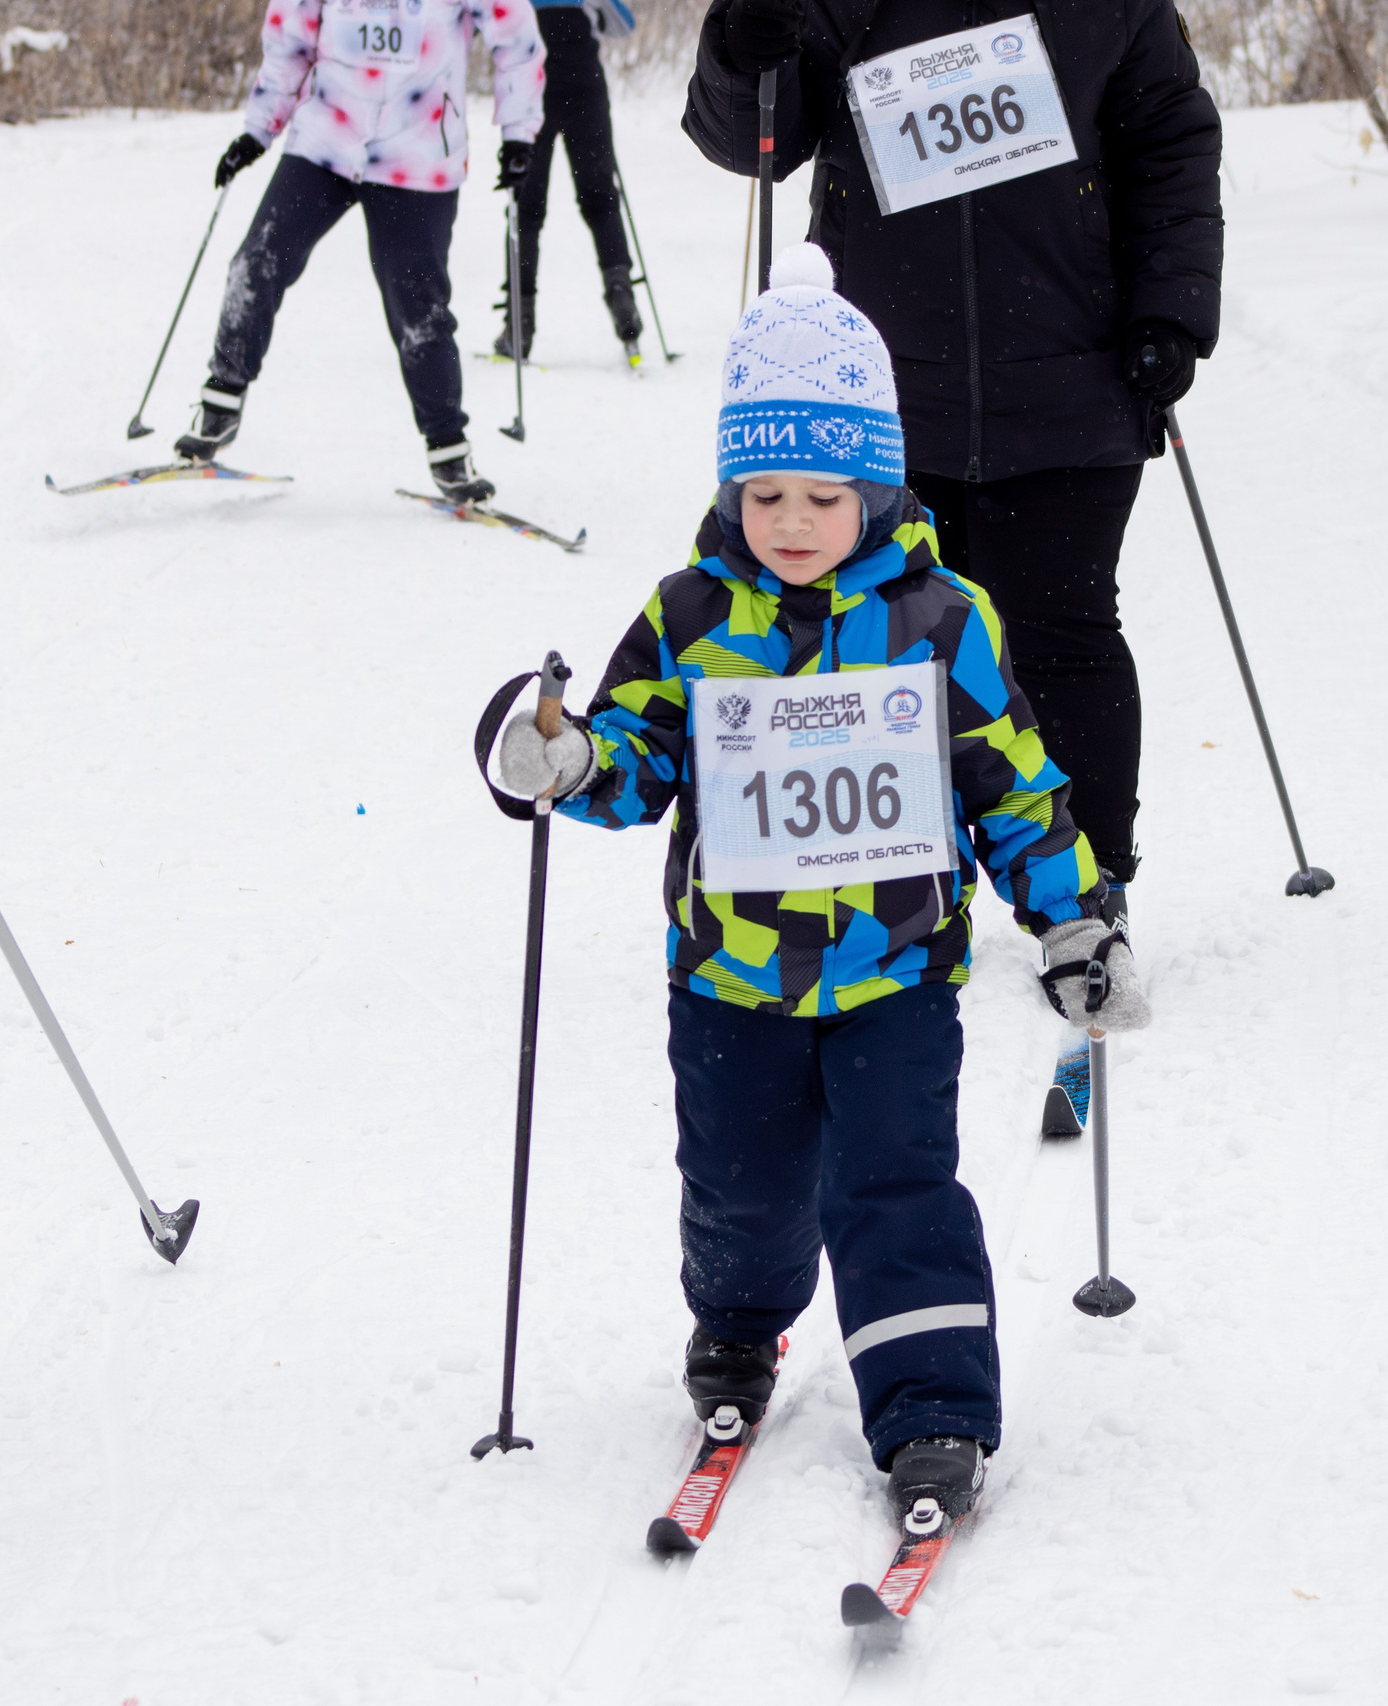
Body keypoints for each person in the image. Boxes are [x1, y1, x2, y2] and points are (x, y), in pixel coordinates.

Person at [489, 246, 1150, 1516]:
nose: (790, 521)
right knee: (738, 1184)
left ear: (879, 486)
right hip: (729, 978)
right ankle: (739, 1325)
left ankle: (933, 1405)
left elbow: (1012, 782)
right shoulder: (688, 617)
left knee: (897, 1185)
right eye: (765, 492)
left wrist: (1073, 916)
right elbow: (633, 759)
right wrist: (568, 761)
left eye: (823, 495)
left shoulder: (943, 619)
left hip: (894, 972)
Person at [682, 0, 1223, 919]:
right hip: (883, 394)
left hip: (1072, 368)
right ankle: (901, 886)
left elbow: (1169, 140)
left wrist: (1170, 310)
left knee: (1061, 633)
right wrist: (741, 48)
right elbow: (755, 144)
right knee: (892, 648)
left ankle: (1089, 894)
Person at [180, 0, 546, 502]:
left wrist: (518, 134)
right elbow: (289, 41)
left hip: (418, 155)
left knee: (418, 307)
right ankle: (220, 402)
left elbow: (517, 40)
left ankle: (448, 450)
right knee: (257, 262)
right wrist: (258, 129)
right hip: (326, 141)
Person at [498, 0, 643, 364]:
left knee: (526, 208)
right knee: (601, 200)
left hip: (533, 86)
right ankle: (620, 292)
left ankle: (520, 321)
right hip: (584, 85)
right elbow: (624, 25)